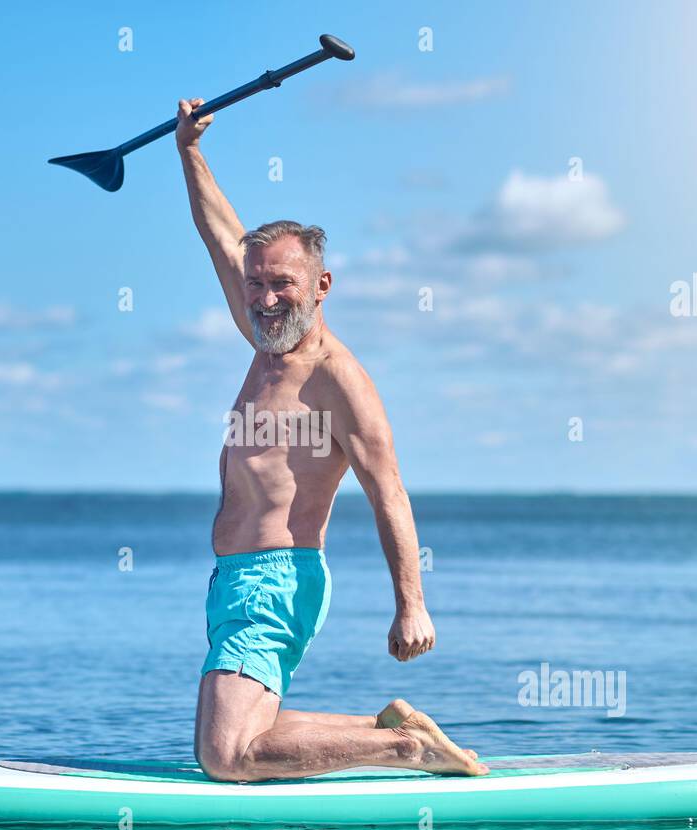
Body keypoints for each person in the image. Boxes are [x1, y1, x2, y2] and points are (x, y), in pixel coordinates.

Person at [177, 98, 488, 782]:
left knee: (226, 756)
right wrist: (190, 151)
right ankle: (392, 730)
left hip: (276, 580)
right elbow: (220, 234)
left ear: (321, 286)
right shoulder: (266, 342)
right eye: (256, 283)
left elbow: (389, 492)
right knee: (237, 737)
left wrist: (412, 603)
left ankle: (407, 752)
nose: (262, 297)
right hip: (235, 579)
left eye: (280, 284)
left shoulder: (338, 379)